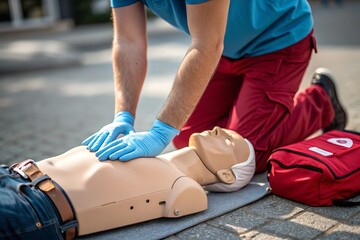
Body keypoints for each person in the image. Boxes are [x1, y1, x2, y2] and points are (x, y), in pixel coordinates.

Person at [83, 0, 347, 173]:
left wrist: (160, 131)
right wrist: (123, 115)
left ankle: (321, 101)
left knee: (243, 158)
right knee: (190, 142)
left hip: (277, 39)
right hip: (222, 52)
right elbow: (128, 41)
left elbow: (206, 44)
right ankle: (248, 118)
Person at [0, 127, 255, 240]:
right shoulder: (146, 148)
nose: (219, 129)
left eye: (230, 141)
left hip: (36, 207)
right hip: (12, 173)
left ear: (227, 175)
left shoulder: (186, 190)